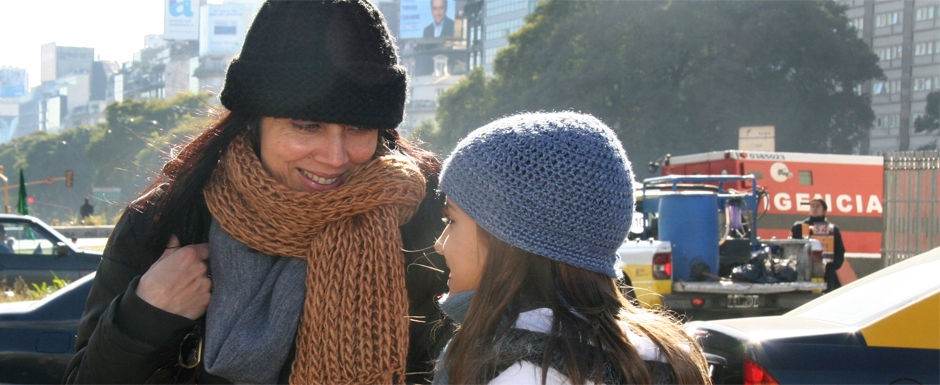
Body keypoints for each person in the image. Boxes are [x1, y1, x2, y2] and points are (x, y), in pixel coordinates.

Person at [64, 1, 453, 384]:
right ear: (253, 123)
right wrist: (146, 315)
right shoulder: (166, 219)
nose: (336, 157)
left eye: (359, 129)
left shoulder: (429, 224)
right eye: (307, 126)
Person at [431, 112, 711, 384]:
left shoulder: (516, 373)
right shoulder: (668, 355)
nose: (439, 244)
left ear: (509, 237)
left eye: (451, 220)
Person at [791, 198, 845, 293]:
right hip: (804, 271)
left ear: (824, 210)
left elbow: (839, 251)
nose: (814, 208)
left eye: (818, 206)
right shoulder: (799, 227)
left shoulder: (832, 230)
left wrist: (832, 267)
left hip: (826, 273)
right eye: (812, 206)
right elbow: (793, 248)